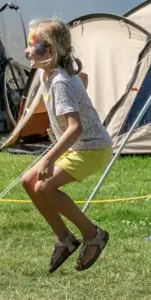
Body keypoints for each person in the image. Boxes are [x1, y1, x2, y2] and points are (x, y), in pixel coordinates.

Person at [18, 18, 113, 273]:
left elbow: (75, 128)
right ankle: (65, 239)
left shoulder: (59, 81)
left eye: (32, 45)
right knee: (28, 182)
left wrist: (49, 159)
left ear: (49, 50)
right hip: (77, 146)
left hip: (91, 147)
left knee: (45, 186)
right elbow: (82, 76)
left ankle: (93, 234)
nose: (27, 51)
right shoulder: (47, 74)